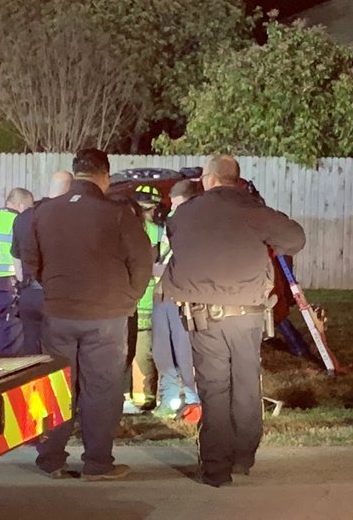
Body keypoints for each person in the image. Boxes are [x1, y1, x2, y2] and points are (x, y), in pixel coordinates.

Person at [161, 154, 306, 487]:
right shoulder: (254, 212)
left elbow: (175, 236)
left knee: (214, 389)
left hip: (204, 316)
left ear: (210, 179)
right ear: (237, 180)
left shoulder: (186, 214)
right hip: (248, 316)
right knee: (245, 386)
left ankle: (216, 468)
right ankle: (243, 456)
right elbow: (294, 239)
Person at [23, 150, 153, 480]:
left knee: (57, 388)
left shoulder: (44, 212)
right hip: (107, 315)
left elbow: (31, 259)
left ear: (75, 173)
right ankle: (97, 462)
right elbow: (142, 261)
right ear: (105, 177)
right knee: (102, 389)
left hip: (59, 312)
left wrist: (53, 289)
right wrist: (130, 298)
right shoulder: (118, 214)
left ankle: (51, 459)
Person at [151, 179, 202, 418]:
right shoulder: (172, 221)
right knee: (163, 351)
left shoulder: (197, 224)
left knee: (185, 350)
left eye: (177, 204)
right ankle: (169, 397)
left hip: (183, 295)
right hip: (162, 293)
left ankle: (194, 399)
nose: (172, 210)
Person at [10, 171, 72, 355]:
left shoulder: (23, 217)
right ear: (68, 189)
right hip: (56, 296)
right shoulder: (67, 216)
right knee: (57, 355)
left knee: (31, 351)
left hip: (29, 294)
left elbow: (16, 260)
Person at [124, 184, 166, 414]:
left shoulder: (128, 228)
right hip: (150, 298)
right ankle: (144, 398)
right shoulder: (157, 231)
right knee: (145, 350)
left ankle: (140, 399)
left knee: (136, 351)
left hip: (133, 299)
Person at [0, 187, 35, 355]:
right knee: (11, 338)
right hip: (8, 285)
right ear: (21, 205)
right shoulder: (19, 223)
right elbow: (21, 256)